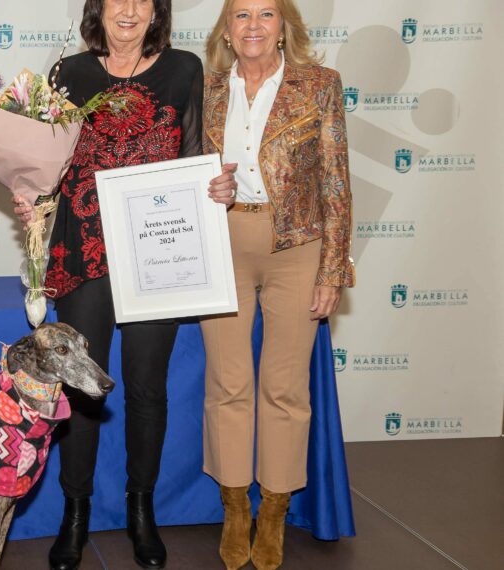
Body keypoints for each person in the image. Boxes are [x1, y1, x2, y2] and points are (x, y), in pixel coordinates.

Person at [13, 1, 224, 569]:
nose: (128, 9)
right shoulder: (69, 74)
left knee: (147, 387)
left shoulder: (183, 68)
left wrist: (214, 191)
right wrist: (29, 192)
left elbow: (194, 154)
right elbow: (44, 164)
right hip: (82, 251)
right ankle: (74, 511)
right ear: (98, 10)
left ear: (157, 10)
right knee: (81, 389)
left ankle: (141, 508)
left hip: (158, 250)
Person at [199, 1, 354, 568]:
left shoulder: (320, 84)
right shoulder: (210, 87)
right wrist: (205, 186)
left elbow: (336, 181)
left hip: (298, 249)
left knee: (285, 389)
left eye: (266, 13)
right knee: (228, 382)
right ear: (227, 29)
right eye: (241, 15)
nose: (254, 26)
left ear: (284, 25)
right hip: (223, 245)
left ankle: (274, 513)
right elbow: (191, 166)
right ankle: (236, 506)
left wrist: (333, 270)